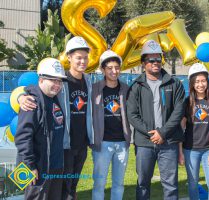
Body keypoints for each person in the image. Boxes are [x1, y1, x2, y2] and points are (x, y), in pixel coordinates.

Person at [18, 36, 94, 200]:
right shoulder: (35, 99)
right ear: (69, 57)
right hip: (56, 153)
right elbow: (23, 136)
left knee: (67, 189)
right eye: (78, 57)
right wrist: (21, 97)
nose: (56, 84)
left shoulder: (87, 81)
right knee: (40, 193)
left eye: (85, 57)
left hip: (64, 153)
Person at [126, 40, 185, 200]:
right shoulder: (136, 86)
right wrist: (151, 133)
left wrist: (163, 133)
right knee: (143, 184)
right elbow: (132, 114)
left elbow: (179, 111)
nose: (155, 63)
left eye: (158, 59)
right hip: (145, 143)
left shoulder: (174, 83)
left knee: (171, 185)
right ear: (143, 63)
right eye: (151, 60)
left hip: (169, 142)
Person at [15, 58, 67, 200]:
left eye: (59, 81)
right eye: (53, 80)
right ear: (41, 80)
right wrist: (29, 166)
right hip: (37, 168)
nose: (57, 85)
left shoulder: (54, 98)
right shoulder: (31, 102)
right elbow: (22, 137)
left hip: (55, 166)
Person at [91, 50, 131, 200]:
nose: (114, 71)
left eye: (117, 67)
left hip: (122, 143)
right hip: (102, 144)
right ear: (103, 69)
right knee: (99, 183)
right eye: (110, 68)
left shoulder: (126, 89)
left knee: (119, 184)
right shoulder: (94, 89)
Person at [179, 63, 209, 200]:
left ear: (207, 82)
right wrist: (180, 152)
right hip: (190, 150)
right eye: (197, 81)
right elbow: (181, 129)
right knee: (192, 184)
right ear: (192, 83)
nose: (200, 84)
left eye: (203, 80)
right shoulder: (187, 102)